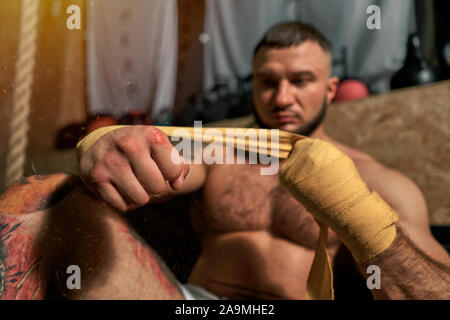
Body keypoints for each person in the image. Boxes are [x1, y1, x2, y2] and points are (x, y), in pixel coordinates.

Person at [1, 22, 448, 300]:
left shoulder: (377, 182)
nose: (282, 97)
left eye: (301, 80)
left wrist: (364, 218)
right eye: (268, 81)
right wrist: (107, 142)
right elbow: (162, 158)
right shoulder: (220, 152)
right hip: (187, 299)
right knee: (41, 195)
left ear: (331, 90)